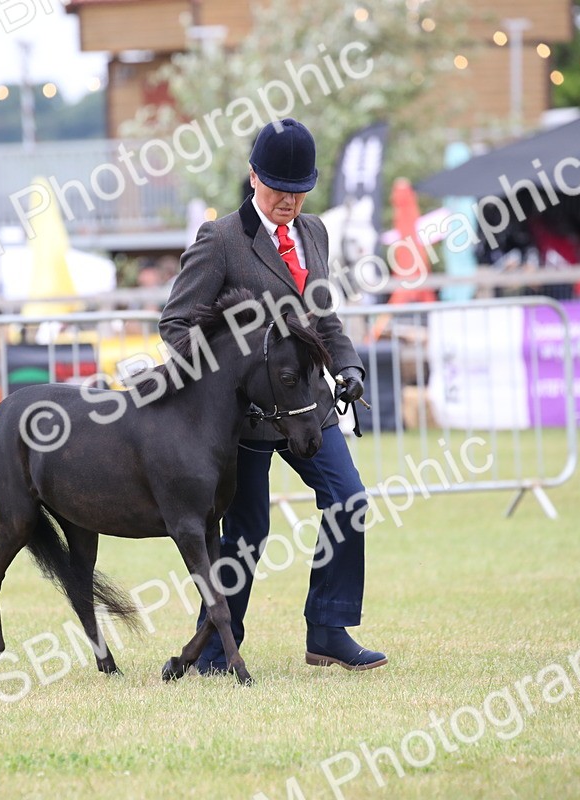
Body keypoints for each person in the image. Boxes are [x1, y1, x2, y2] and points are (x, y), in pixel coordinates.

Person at [159, 118, 386, 673]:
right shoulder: (220, 239)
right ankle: (214, 648)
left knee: (349, 500)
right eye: (278, 187)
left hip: (308, 403)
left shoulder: (315, 234)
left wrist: (348, 367)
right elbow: (176, 323)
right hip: (247, 417)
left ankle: (329, 631)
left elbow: (324, 316)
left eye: (299, 188)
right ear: (254, 176)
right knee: (247, 531)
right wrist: (223, 382)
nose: (289, 199)